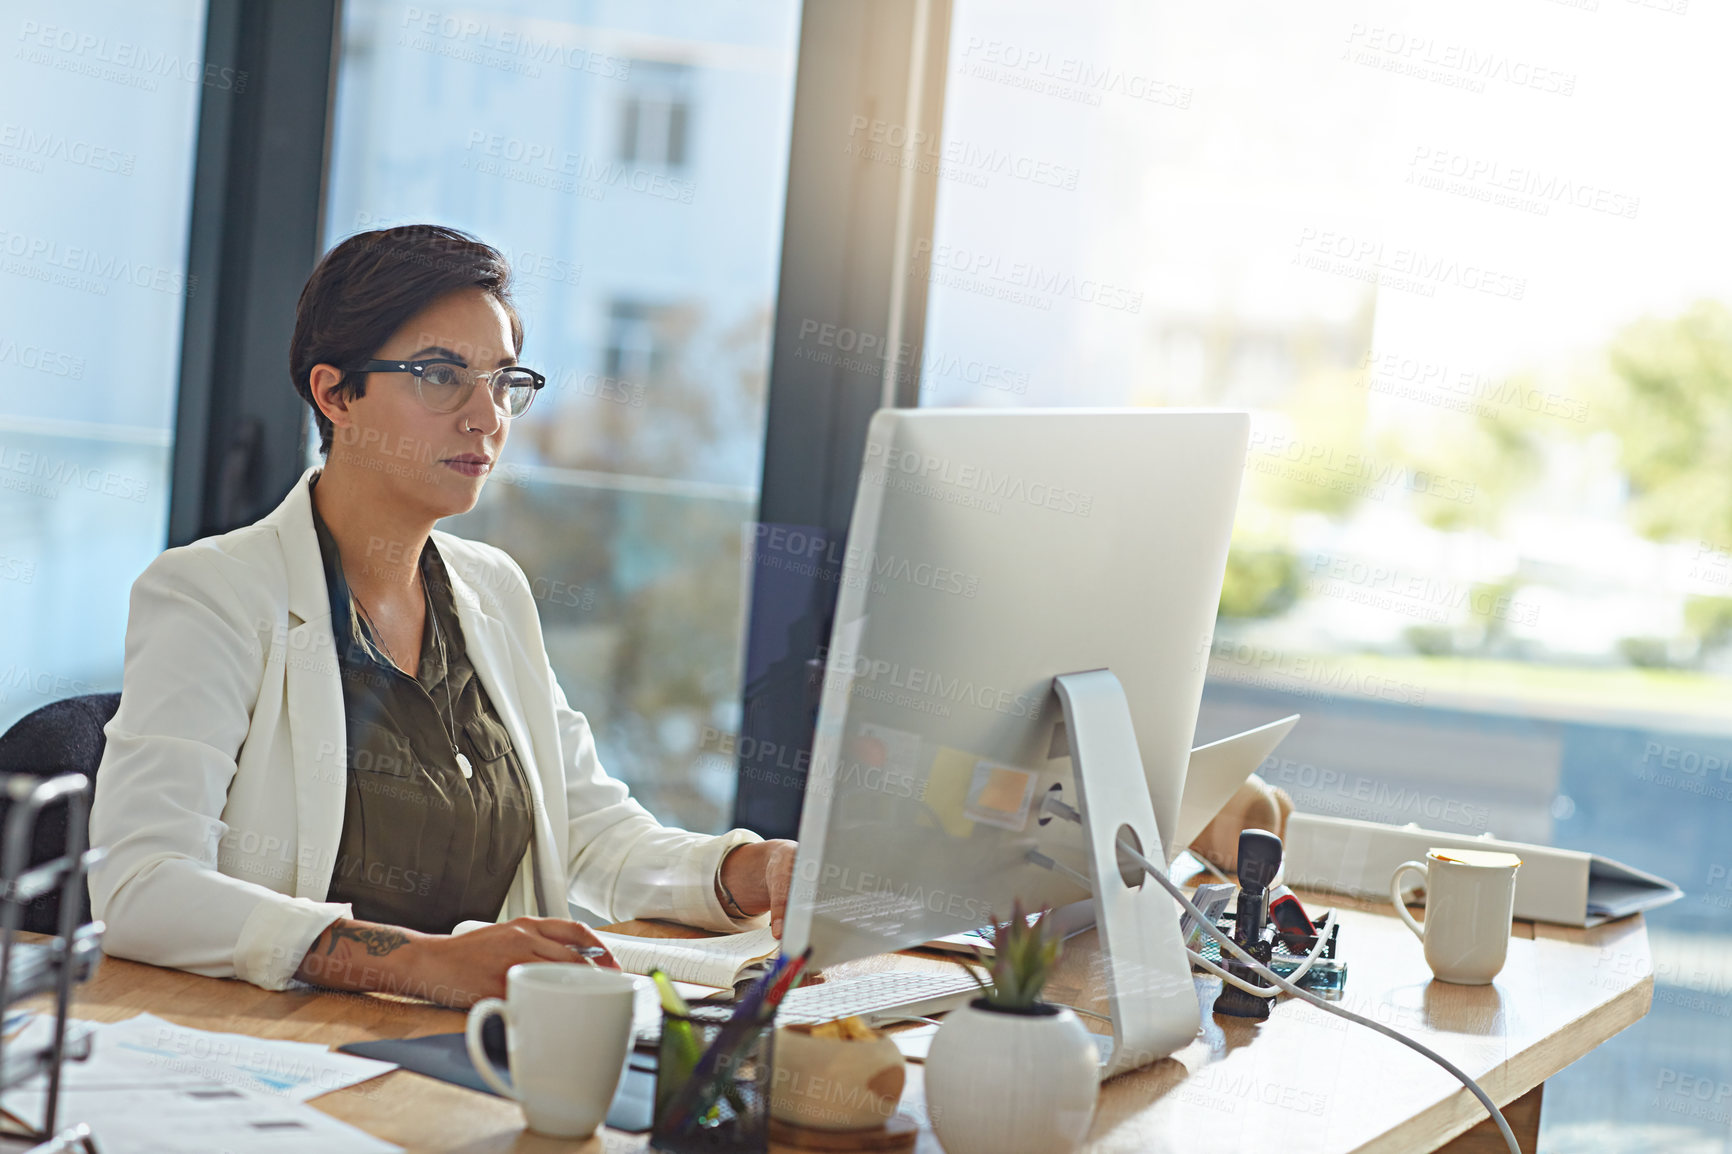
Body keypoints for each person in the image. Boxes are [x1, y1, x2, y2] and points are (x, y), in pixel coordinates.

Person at [88, 225, 795, 1008]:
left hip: (474, 1047)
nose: (486, 418)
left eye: (502, 381)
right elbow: (139, 884)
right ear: (334, 393)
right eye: (439, 376)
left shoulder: (493, 591)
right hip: (289, 1049)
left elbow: (591, 832)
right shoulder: (211, 593)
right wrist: (413, 961)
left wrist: (756, 871)